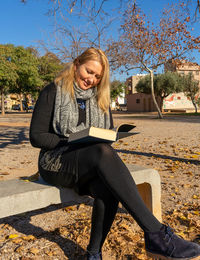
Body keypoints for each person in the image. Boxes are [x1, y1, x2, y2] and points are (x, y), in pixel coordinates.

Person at [30, 47, 200, 260]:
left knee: (107, 186)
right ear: (76, 65)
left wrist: (105, 136)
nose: (91, 79)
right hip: (55, 161)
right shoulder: (53, 91)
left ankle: (93, 254)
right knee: (101, 151)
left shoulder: (100, 98)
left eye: (97, 76)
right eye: (88, 71)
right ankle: (156, 233)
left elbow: (106, 132)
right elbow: (36, 136)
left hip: (88, 160)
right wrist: (71, 139)